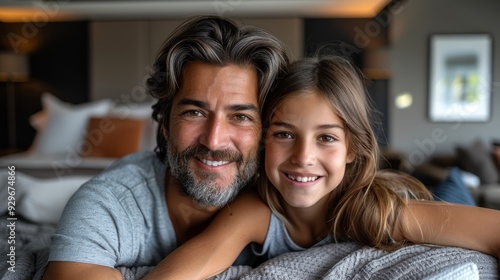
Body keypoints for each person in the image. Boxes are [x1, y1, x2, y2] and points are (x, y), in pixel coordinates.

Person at [147, 55, 500, 279]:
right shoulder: (257, 210)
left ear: (352, 149)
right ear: (263, 140)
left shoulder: (380, 211)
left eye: (326, 138)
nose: (303, 157)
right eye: (285, 134)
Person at [42, 15, 289, 280]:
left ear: (264, 132)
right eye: (194, 112)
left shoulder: (289, 200)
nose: (214, 140)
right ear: (164, 123)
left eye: (240, 117)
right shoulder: (108, 204)